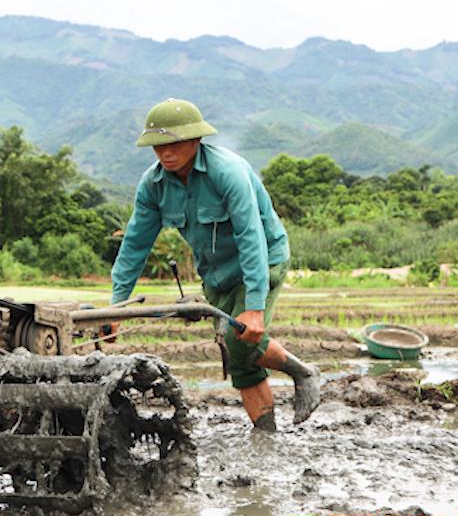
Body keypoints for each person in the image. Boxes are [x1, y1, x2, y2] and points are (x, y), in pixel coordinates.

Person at [109, 98, 321, 430]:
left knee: (240, 338)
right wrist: (117, 308)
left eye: (174, 143)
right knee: (238, 358)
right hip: (216, 275)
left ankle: (302, 372)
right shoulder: (153, 186)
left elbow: (251, 236)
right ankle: (266, 439)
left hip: (263, 261)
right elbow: (135, 245)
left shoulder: (227, 173)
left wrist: (253, 306)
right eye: (158, 146)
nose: (166, 153)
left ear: (195, 140)